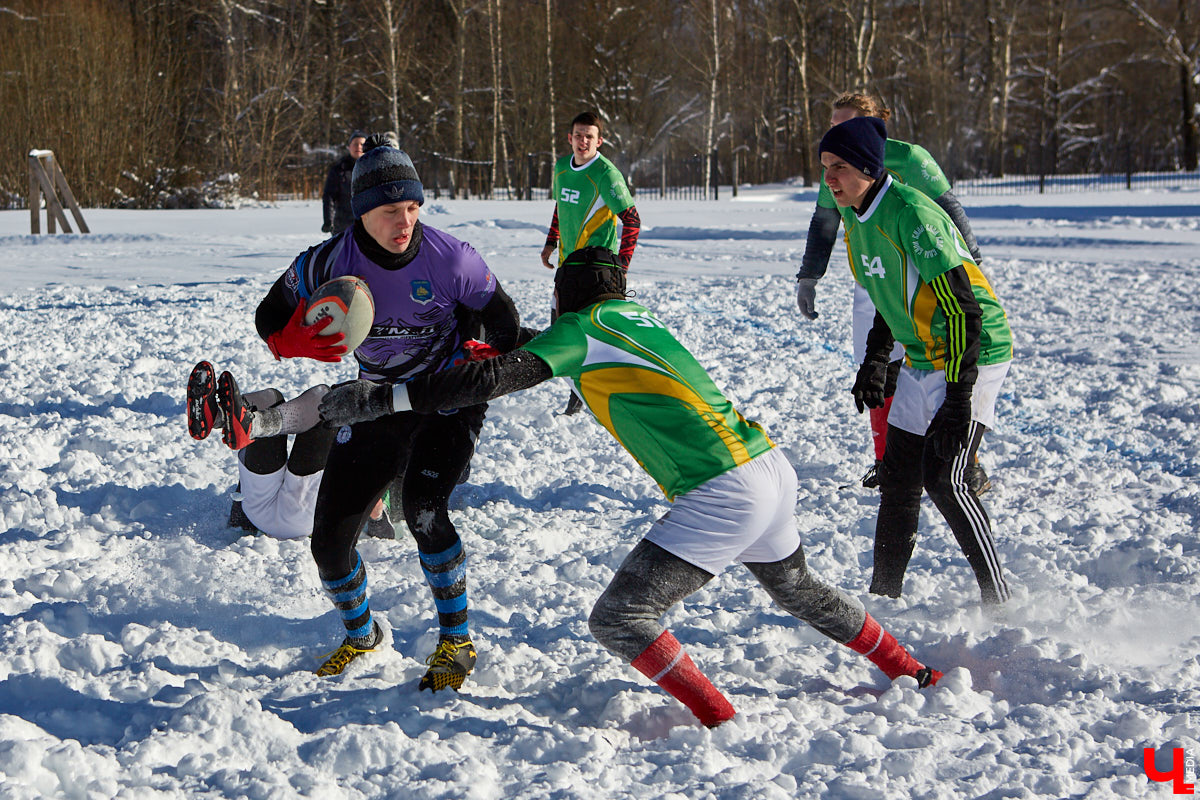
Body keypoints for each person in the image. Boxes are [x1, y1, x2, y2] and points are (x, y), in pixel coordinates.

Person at [317, 246, 943, 728]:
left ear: (566, 298)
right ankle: (908, 668)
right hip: (769, 467)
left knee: (620, 619)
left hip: (725, 490)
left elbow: (492, 382)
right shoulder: (631, 318)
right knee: (799, 590)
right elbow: (547, 351)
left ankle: (720, 721)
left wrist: (385, 397)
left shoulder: (581, 327)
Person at [257, 133, 522, 686]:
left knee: (424, 507)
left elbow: (504, 321)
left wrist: (482, 353)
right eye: (388, 211)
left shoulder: (452, 258)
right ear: (360, 213)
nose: (404, 223)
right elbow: (269, 316)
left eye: (412, 207)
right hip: (375, 402)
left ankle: (457, 644)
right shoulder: (330, 260)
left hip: (446, 401)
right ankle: (362, 637)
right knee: (328, 544)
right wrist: (298, 341)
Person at [818, 116, 1013, 605]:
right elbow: (889, 297)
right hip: (924, 354)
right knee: (898, 478)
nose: (829, 179)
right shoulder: (855, 217)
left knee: (946, 480)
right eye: (824, 167)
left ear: (867, 165)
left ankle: (1000, 601)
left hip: (973, 350)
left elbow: (963, 308)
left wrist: (957, 399)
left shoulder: (911, 214)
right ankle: (884, 598)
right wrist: (876, 359)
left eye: (839, 167)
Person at [795, 94, 990, 494]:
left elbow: (948, 208)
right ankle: (888, 460)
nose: (834, 133)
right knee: (876, 370)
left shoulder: (911, 159)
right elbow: (825, 222)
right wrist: (809, 275)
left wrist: (970, 266)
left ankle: (964, 461)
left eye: (844, 124)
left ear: (872, 127)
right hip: (874, 279)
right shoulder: (836, 165)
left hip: (922, 275)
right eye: (832, 124)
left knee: (937, 363)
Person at [185, 361, 394, 540]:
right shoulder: (376, 451)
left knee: (313, 400)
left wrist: (239, 519)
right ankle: (232, 418)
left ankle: (218, 417)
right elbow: (379, 520)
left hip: (262, 508)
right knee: (294, 405)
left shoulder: (376, 448)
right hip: (298, 516)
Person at [540, 111, 641, 415]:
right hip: (567, 265)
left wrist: (621, 267)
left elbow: (632, 219)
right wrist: (550, 242)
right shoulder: (560, 168)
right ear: (570, 138)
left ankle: (604, 394)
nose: (583, 141)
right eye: (578, 135)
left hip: (598, 269)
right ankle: (581, 392)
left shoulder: (606, 174)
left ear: (599, 141)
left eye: (589, 136)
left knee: (594, 334)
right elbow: (561, 206)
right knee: (560, 329)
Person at [322, 131, 367, 236]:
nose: (359, 147)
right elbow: (329, 197)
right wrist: (328, 221)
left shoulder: (374, 168)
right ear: (349, 147)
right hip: (343, 225)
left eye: (362, 144)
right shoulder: (339, 169)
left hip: (369, 225)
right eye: (355, 144)